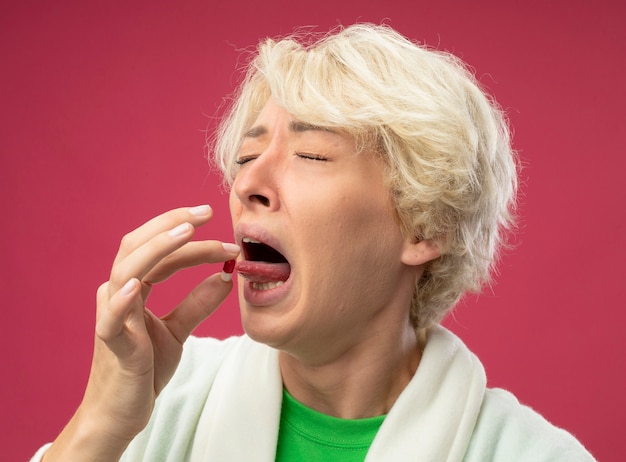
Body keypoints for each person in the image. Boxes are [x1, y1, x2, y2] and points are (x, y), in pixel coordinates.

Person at [32, 23, 595, 461]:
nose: (247, 184)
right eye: (246, 158)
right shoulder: (160, 400)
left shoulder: (532, 455)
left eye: (312, 156)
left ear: (426, 226)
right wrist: (103, 423)